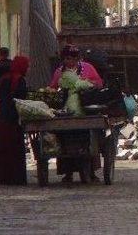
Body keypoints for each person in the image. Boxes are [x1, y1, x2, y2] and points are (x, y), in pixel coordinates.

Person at [50, 45, 104, 182]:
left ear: (78, 58)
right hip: (65, 112)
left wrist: (85, 83)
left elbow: (99, 83)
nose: (70, 61)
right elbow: (52, 88)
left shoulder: (87, 68)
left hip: (86, 109)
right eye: (67, 58)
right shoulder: (59, 72)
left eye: (73, 58)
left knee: (90, 139)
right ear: (63, 59)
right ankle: (67, 173)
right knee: (64, 140)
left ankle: (91, 172)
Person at [0, 56, 30, 185]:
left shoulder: (4, 78)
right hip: (13, 120)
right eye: (27, 66)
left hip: (2, 118)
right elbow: (21, 100)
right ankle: (15, 177)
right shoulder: (19, 80)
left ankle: (2, 176)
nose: (28, 69)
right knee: (14, 149)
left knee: (2, 147)